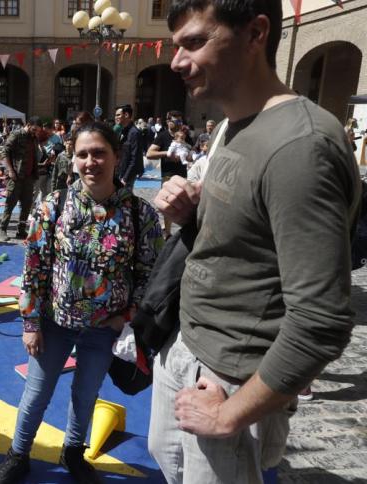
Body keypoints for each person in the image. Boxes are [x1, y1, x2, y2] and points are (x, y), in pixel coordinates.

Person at [149, 2, 360, 483]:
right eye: (176, 45)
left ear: (255, 33)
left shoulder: (301, 147)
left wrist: (231, 414)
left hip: (230, 379)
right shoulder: (234, 126)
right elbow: (243, 244)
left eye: (195, 42)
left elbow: (322, 320)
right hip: (187, 349)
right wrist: (192, 216)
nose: (177, 61)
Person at [0, 122, 163, 484]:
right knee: (36, 394)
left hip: (104, 329)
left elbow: (150, 273)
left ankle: (73, 452)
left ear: (117, 156)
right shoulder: (55, 205)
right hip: (54, 324)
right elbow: (34, 266)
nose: (90, 161)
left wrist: (126, 317)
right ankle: (18, 454)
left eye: (99, 152)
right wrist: (31, 323)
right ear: (73, 158)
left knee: (86, 394)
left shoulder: (138, 213)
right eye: (82, 154)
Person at [0, 116, 43, 241]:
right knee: (10, 203)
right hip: (16, 177)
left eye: (38, 131)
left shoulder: (34, 138)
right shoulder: (16, 135)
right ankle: (3, 229)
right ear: (28, 125)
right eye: (34, 130)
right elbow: (4, 153)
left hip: (29, 177)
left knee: (27, 205)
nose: (36, 133)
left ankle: (21, 230)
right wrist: (10, 170)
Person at [147, 110, 186, 238]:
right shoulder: (162, 136)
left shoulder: (184, 135)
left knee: (182, 203)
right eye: (176, 121)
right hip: (167, 175)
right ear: (168, 122)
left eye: (181, 121)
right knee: (168, 203)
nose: (180, 124)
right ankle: (168, 231)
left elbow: (192, 150)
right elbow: (149, 154)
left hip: (182, 174)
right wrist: (167, 154)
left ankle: (184, 231)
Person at [116, 104, 145, 189]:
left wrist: (125, 178)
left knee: (124, 200)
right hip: (119, 172)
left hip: (126, 175)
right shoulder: (122, 130)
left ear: (126, 115)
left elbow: (135, 157)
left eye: (118, 115)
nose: (116, 117)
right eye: (115, 115)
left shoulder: (134, 133)